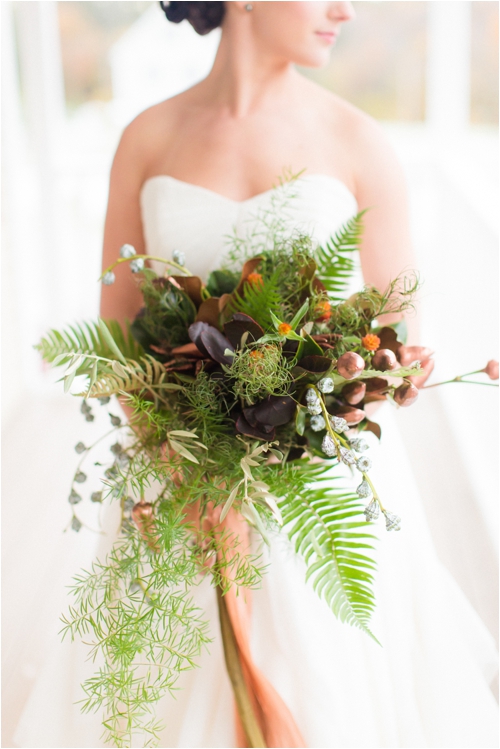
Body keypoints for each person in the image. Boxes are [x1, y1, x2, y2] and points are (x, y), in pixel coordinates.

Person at [13, 3, 498, 747]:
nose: (345, 10)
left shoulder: (358, 140)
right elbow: (115, 342)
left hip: (325, 503)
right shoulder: (147, 138)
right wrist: (191, 459)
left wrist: (304, 415)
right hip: (180, 493)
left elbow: (398, 348)